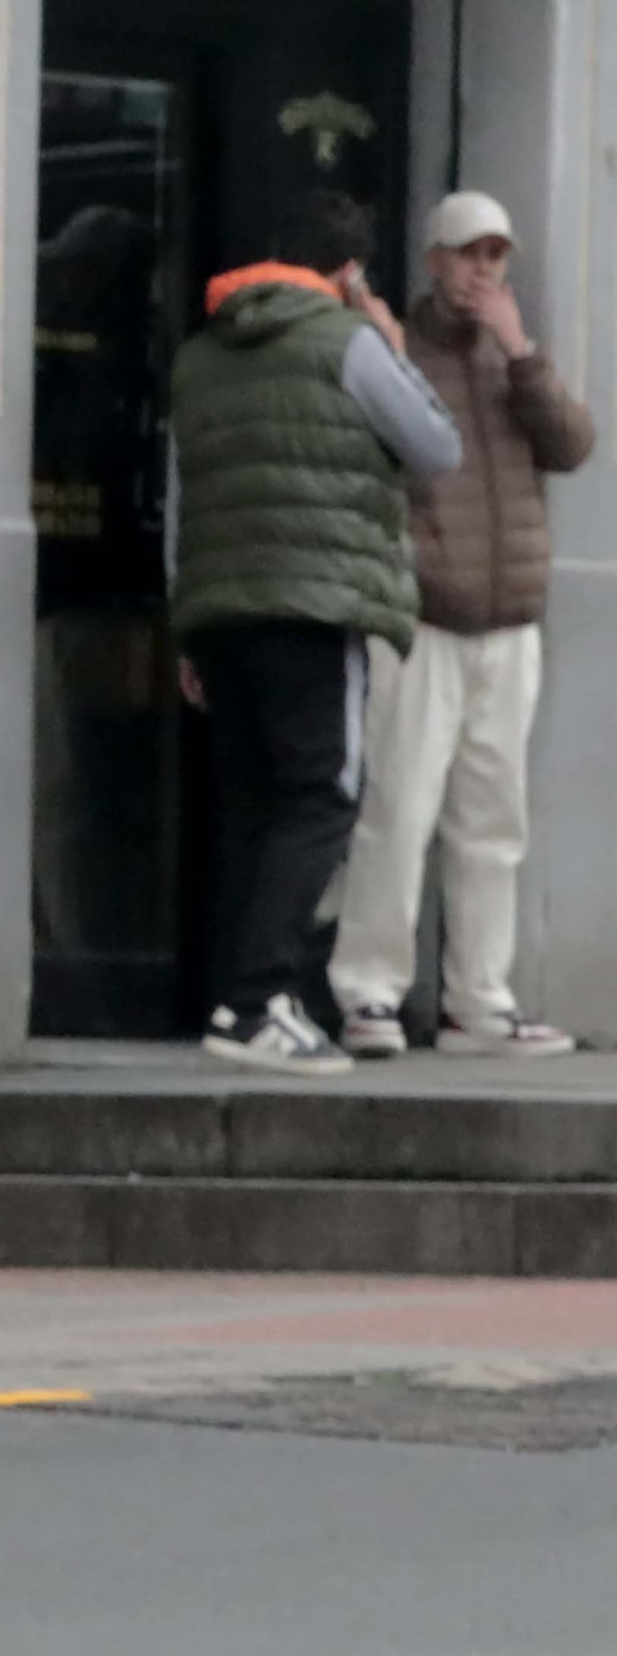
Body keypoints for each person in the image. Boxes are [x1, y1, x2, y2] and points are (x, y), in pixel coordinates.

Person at [169, 187, 460, 1074]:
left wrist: (186, 621)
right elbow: (437, 447)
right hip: (314, 604)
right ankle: (255, 1004)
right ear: (350, 272)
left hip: (220, 605)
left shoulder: (199, 355)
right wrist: (391, 343)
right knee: (322, 798)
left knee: (256, 808)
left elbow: (185, 491)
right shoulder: (350, 341)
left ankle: (256, 998)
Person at [332, 189, 593, 1056]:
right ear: (435, 261)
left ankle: (480, 1004)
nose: (483, 270)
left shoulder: (512, 357)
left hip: (509, 620)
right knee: (399, 808)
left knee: (493, 821)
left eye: (496, 255)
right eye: (469, 253)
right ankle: (369, 992)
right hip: (424, 614)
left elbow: (573, 445)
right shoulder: (394, 347)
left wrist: (521, 351)